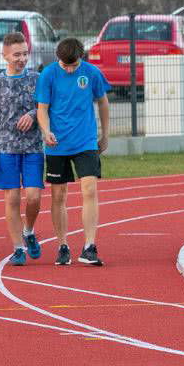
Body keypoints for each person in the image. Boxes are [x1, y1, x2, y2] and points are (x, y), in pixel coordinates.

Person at [35, 37, 110, 266]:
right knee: (58, 195)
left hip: (85, 141)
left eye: (74, 65)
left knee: (90, 189)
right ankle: (62, 246)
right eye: (65, 65)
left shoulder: (92, 73)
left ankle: (89, 246)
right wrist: (46, 131)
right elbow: (42, 109)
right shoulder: (48, 75)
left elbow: (103, 102)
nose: (69, 69)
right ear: (58, 59)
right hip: (57, 143)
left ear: (81, 58)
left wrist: (105, 135)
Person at [0, 32, 43, 266]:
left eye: (25, 54)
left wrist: (33, 115)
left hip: (32, 147)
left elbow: (46, 107)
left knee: (34, 197)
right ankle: (18, 247)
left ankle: (28, 230)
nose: (22, 59)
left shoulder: (37, 79)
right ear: (5, 55)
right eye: (17, 54)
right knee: (13, 199)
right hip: (5, 147)